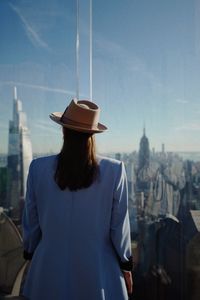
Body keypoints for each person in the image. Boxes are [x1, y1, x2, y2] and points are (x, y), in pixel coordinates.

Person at [22, 99, 133, 300]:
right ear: (93, 135)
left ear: (63, 131)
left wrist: (30, 253)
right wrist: (125, 264)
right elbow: (119, 226)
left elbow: (31, 221)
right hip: (99, 270)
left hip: (47, 269)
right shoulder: (115, 170)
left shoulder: (37, 168)